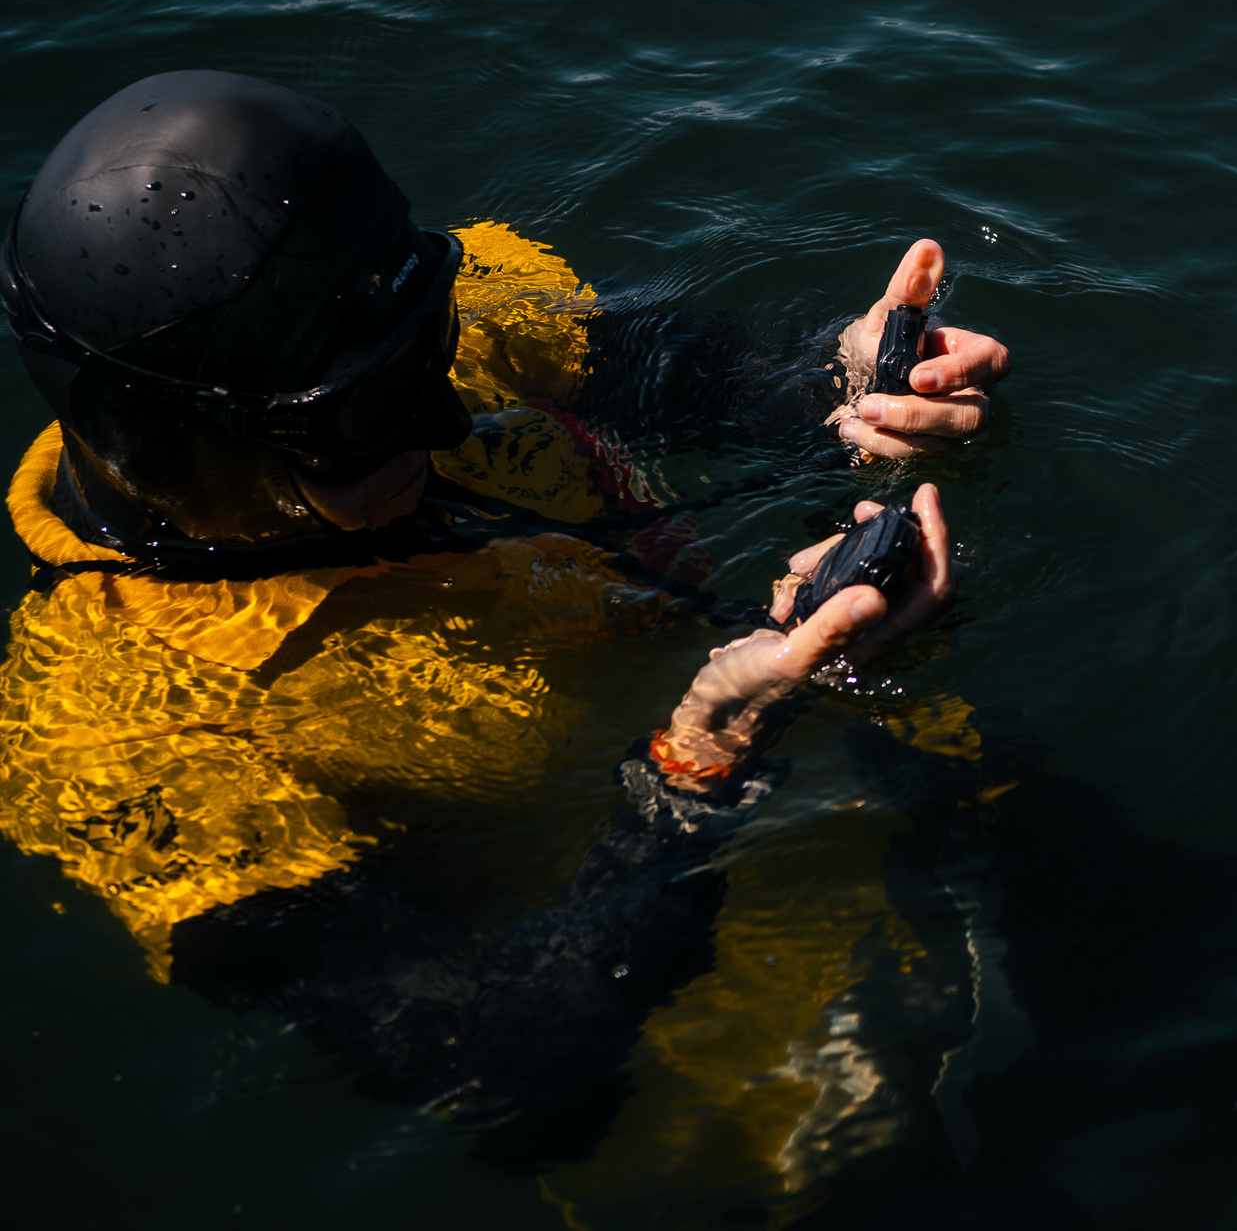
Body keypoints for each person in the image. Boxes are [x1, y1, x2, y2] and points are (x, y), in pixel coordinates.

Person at [0, 69, 1012, 1164]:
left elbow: (712, 381)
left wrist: (848, 392)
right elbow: (501, 1073)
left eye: (428, 349)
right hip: (784, 1098)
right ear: (172, 446)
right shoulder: (108, 732)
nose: (445, 417)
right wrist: (702, 761)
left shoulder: (443, 314)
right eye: (373, 412)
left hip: (966, 822)